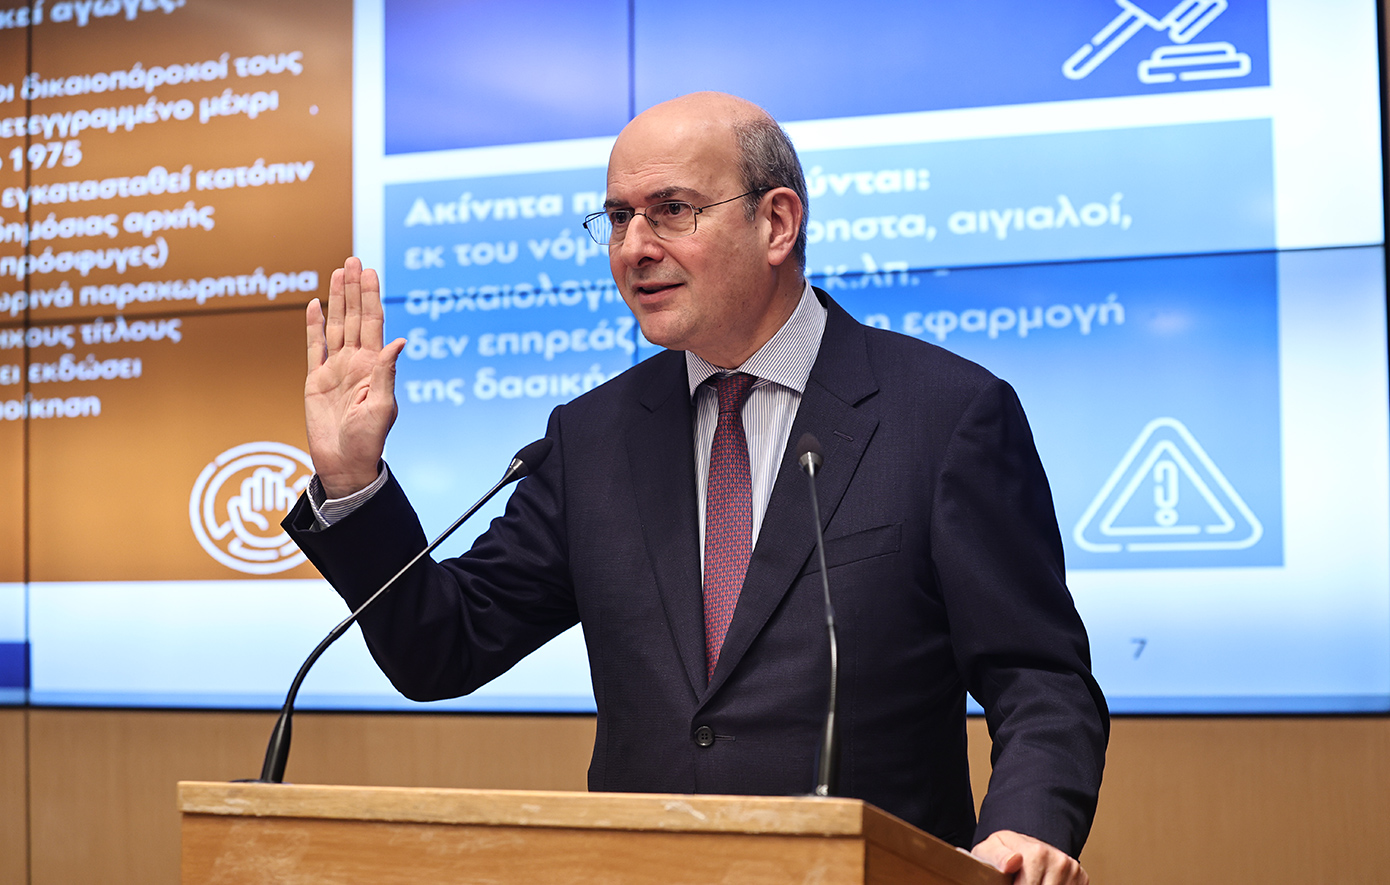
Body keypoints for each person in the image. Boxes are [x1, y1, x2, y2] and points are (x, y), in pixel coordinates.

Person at [285, 91, 1107, 885]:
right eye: (618, 218)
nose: (633, 247)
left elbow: (1040, 677)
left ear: (776, 222)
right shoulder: (593, 435)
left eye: (671, 210)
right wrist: (352, 478)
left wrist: (1026, 827)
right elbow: (442, 646)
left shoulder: (945, 413)